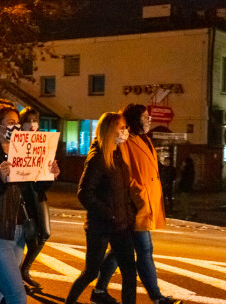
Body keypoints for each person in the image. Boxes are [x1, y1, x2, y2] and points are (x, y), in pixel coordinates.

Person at [0, 104, 59, 304]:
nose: (16, 127)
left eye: (18, 123)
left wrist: (49, 175)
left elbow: (35, 189)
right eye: (11, 123)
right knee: (17, 296)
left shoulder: (22, 153)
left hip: (18, 232)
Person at [93, 104, 181, 304]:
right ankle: (157, 297)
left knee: (118, 251)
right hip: (134, 206)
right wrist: (138, 198)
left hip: (144, 204)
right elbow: (124, 175)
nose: (148, 120)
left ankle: (98, 290)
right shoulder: (125, 141)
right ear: (134, 120)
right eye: (144, 117)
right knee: (144, 251)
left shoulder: (145, 140)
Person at [64, 112, 136, 304]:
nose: (125, 132)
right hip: (100, 227)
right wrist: (109, 214)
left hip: (121, 226)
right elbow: (84, 193)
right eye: (122, 128)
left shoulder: (117, 155)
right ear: (110, 130)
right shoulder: (98, 158)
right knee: (91, 272)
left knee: (129, 271)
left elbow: (123, 192)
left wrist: (129, 216)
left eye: (125, 127)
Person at [18, 107, 56, 288]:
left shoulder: (43, 144)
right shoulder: (15, 144)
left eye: (35, 121)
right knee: (26, 237)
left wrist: (52, 175)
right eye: (28, 121)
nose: (32, 125)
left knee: (45, 234)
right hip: (22, 197)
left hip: (38, 195)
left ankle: (24, 269)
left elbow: (43, 181)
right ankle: (18, 275)